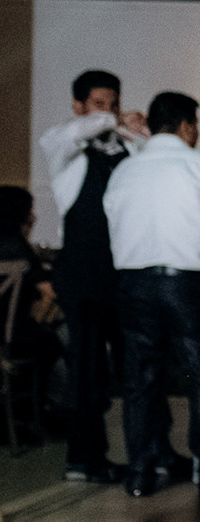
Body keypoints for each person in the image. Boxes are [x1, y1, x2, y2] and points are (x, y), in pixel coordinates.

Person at [103, 92, 200, 499]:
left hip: (133, 283)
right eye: (195, 125)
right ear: (186, 126)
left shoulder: (124, 170)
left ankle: (140, 473)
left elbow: (114, 226)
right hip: (188, 285)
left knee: (139, 381)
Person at [38, 69, 145, 482]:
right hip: (82, 275)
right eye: (99, 104)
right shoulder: (64, 148)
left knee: (136, 364)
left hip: (123, 272)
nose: (108, 112)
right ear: (78, 106)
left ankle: (148, 454)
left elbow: (153, 156)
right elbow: (72, 133)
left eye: (114, 104)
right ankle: (84, 460)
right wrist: (112, 120)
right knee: (87, 370)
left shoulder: (124, 145)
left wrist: (136, 131)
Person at [0, 186, 62, 426]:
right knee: (51, 342)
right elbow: (49, 293)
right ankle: (30, 411)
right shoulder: (18, 248)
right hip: (9, 336)